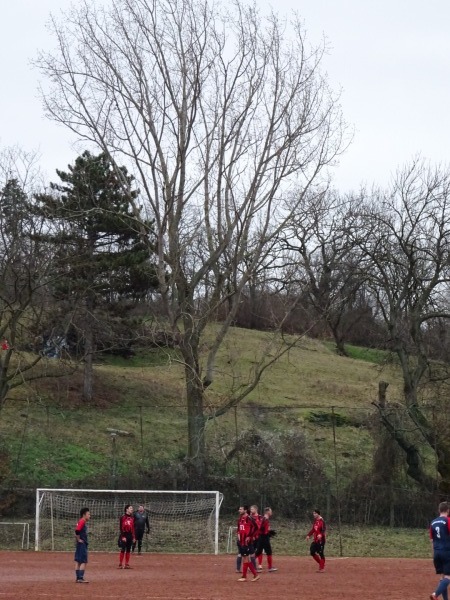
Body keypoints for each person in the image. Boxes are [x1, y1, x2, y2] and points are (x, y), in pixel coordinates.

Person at [430, 501, 450, 600]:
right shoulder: (448, 521)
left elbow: (432, 541)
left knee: (443, 577)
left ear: (439, 510)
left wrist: (434, 554)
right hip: (446, 552)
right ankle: (435, 594)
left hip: (437, 552)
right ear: (448, 510)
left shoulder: (433, 522)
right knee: (448, 577)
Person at [236, 505, 260, 582]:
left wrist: (249, 536)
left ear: (245, 510)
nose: (239, 510)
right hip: (241, 541)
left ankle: (247, 576)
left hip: (246, 542)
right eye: (239, 509)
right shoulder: (240, 519)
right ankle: (251, 575)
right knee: (245, 558)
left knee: (245, 558)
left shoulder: (249, 518)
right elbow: (239, 529)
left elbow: (256, 527)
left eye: (241, 509)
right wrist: (239, 537)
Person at [255, 507, 278, 572]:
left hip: (263, 537)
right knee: (266, 552)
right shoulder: (265, 519)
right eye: (270, 511)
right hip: (264, 537)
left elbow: (264, 528)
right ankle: (270, 567)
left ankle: (251, 565)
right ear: (267, 512)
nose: (271, 512)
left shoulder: (264, 519)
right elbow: (260, 528)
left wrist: (269, 532)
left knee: (259, 552)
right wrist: (267, 532)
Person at [74, 507, 91, 583]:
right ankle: (80, 578)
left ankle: (78, 578)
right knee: (83, 561)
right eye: (88, 514)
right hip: (82, 543)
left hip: (80, 544)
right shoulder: (82, 521)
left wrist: (77, 539)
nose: (90, 515)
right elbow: (77, 531)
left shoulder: (80, 521)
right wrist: (78, 539)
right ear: (84, 515)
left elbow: (76, 531)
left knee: (78, 561)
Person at [118, 504, 136, 569]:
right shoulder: (122, 517)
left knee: (128, 549)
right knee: (123, 549)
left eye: (132, 508)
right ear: (127, 509)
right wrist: (123, 536)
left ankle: (126, 564)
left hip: (130, 535)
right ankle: (120, 564)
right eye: (130, 508)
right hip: (124, 535)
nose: (132, 509)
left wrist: (134, 537)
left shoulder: (132, 518)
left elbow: (133, 528)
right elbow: (121, 528)